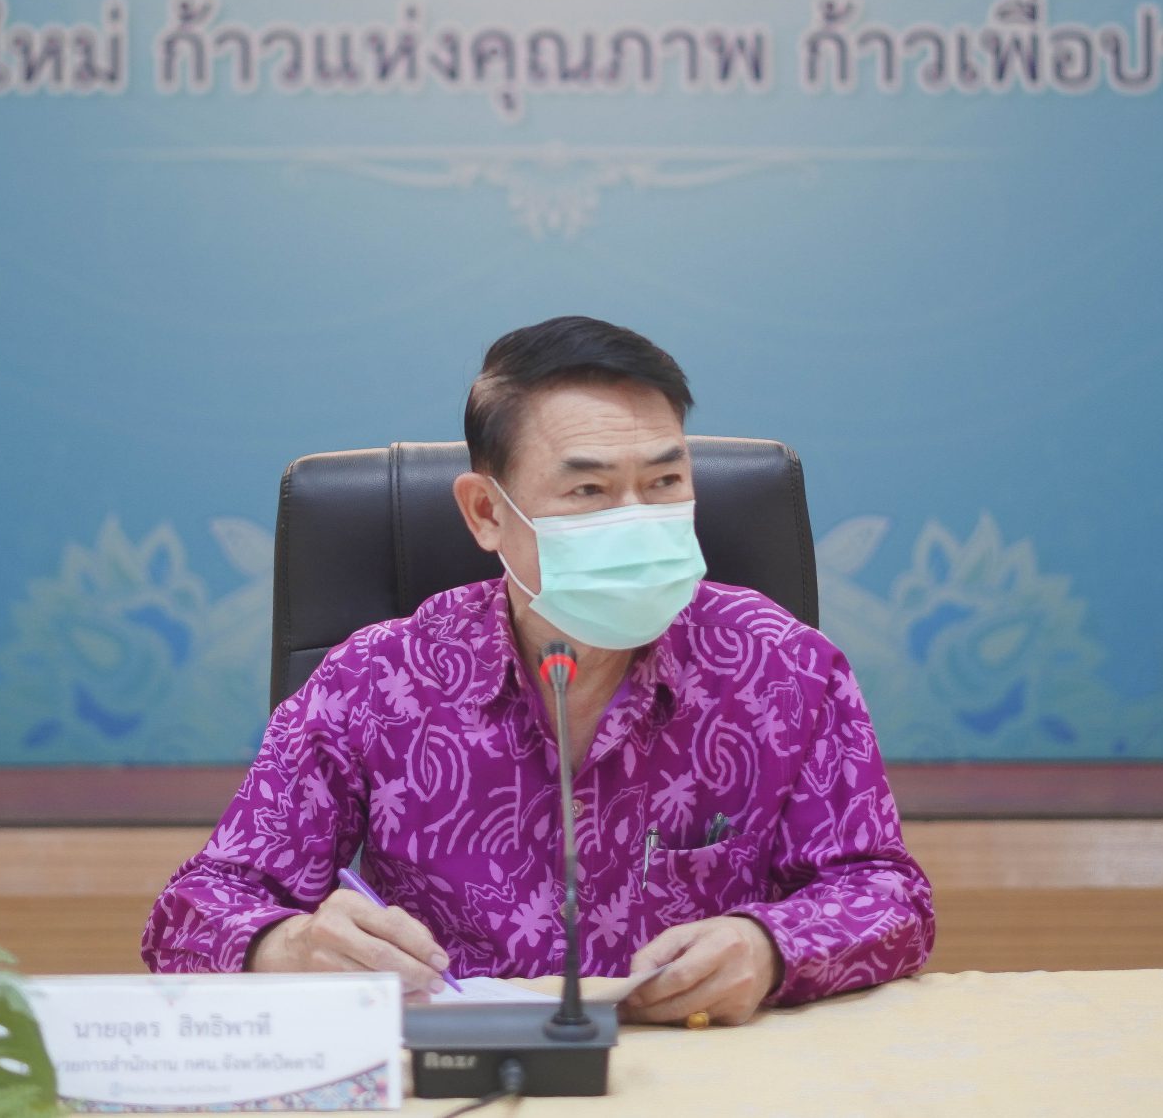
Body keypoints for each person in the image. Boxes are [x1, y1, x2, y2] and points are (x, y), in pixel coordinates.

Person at [142, 316, 933, 1025]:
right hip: (459, 1075)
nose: (637, 519)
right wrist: (289, 945)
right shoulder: (377, 682)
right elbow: (194, 911)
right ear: (487, 512)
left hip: (702, 1071)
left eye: (664, 482)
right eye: (589, 489)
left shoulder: (783, 666)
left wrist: (770, 945)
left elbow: (888, 894)